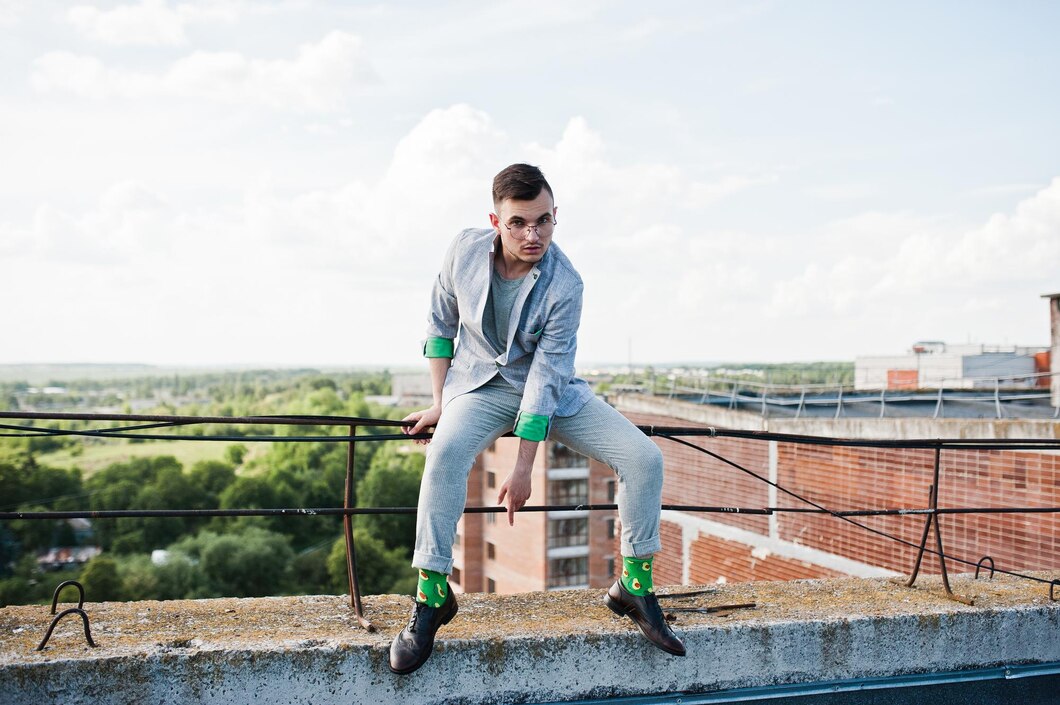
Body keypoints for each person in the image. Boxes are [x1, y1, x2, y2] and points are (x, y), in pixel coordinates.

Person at [388, 163, 685, 675]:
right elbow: (440, 327)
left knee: (644, 457)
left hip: (551, 393)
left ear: (555, 216)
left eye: (544, 221)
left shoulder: (566, 284)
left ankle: (633, 587)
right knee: (443, 458)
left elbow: (546, 379)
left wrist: (523, 467)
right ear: (495, 220)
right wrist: (441, 402)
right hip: (479, 386)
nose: (533, 235)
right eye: (519, 223)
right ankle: (432, 593)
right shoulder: (462, 250)